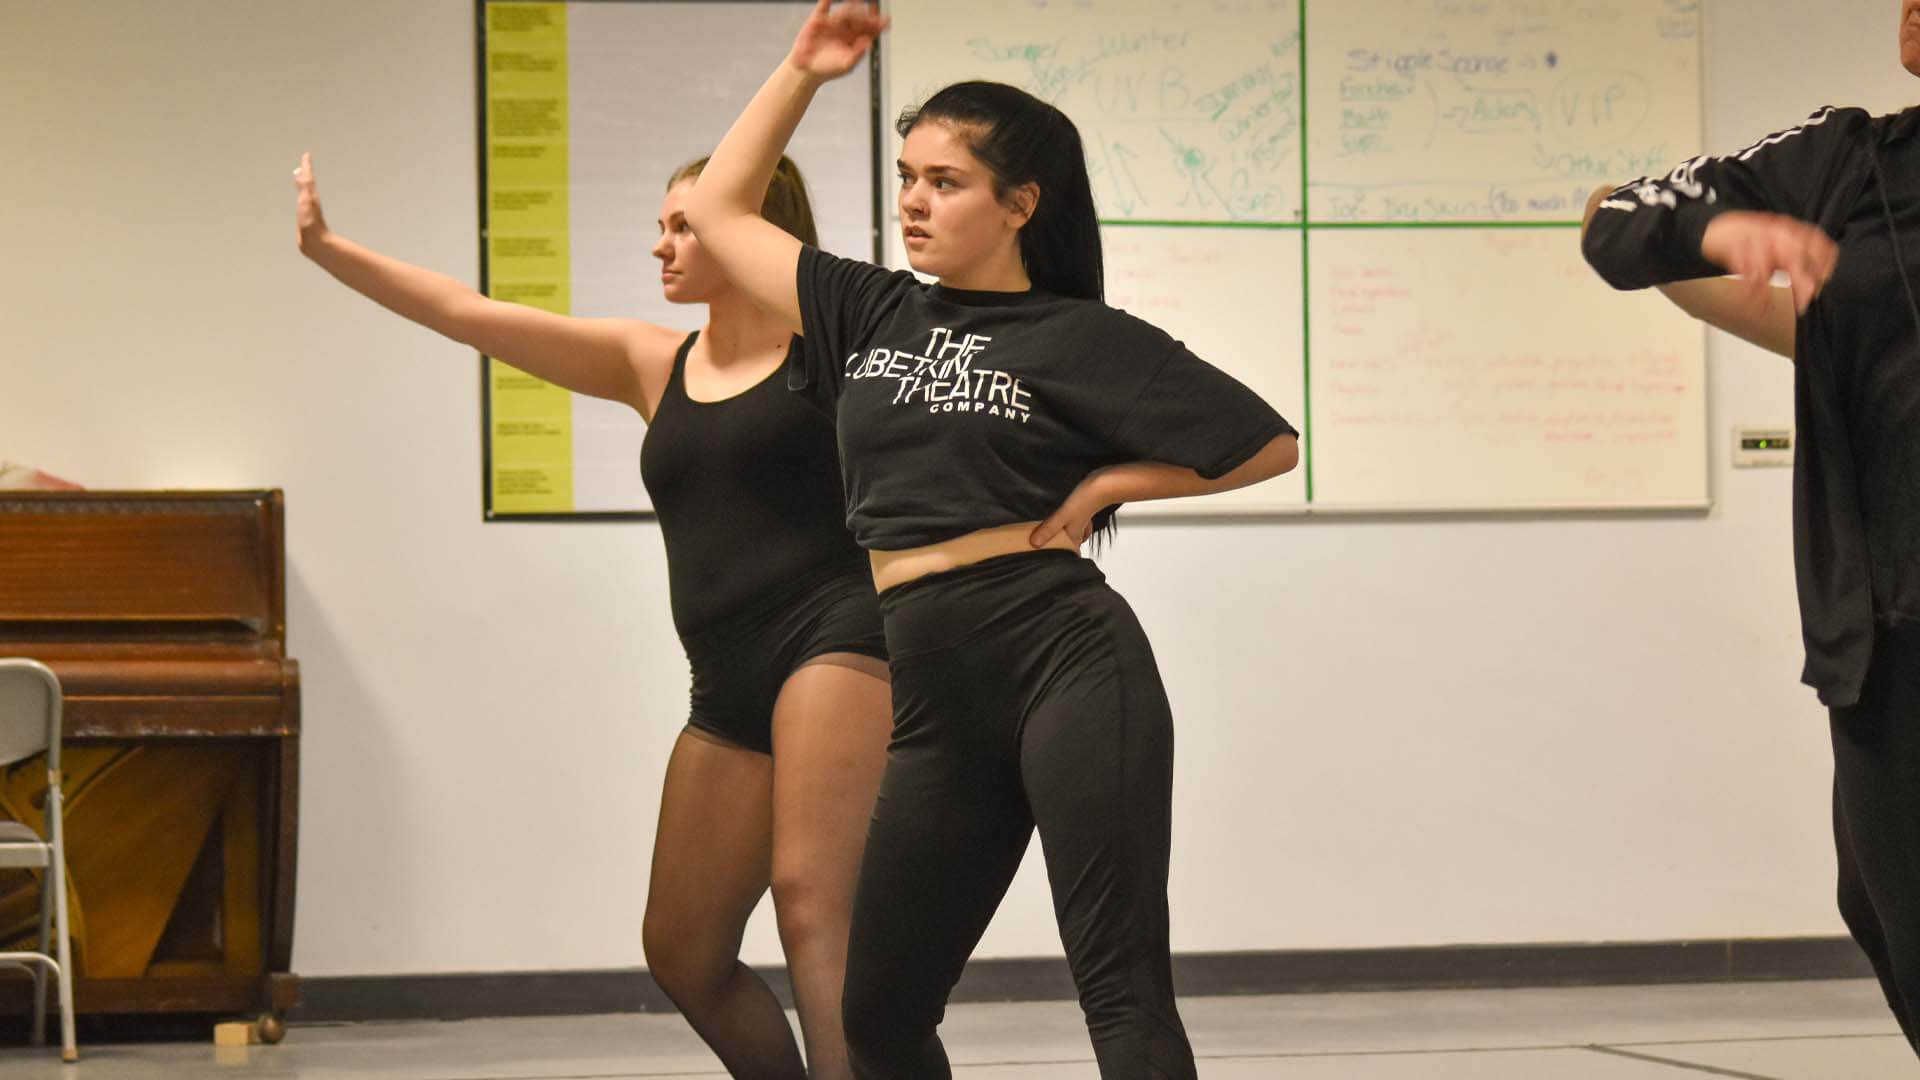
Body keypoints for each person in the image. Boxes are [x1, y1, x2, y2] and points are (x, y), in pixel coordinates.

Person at [682, 4, 1301, 1076]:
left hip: (1064, 658)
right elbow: (720, 207)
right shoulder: (871, 311)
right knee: (877, 1013)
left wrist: (1112, 480)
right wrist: (800, 70)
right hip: (932, 690)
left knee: (1121, 992)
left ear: (1021, 205)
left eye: (946, 182)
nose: (915, 202)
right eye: (908, 176)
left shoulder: (1080, 338)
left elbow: (1267, 444)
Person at [294, 150, 890, 1079]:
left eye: (682, 225)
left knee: (812, 902)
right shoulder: (652, 361)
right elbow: (469, 315)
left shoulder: (843, 354)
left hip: (840, 643)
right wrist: (330, 250)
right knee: (683, 949)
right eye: (661, 224)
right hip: (726, 680)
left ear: (749, 228)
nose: (660, 244)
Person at [1581, 3, 1920, 1052]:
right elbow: (1618, 215)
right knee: (1879, 903)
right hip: (1888, 633)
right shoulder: (1848, 159)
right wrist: (1717, 229)